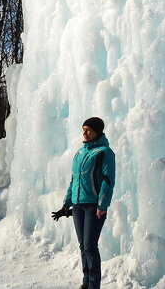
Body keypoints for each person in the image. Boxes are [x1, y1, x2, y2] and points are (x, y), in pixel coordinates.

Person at [52, 117, 116, 289]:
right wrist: (67, 204)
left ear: (98, 131)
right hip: (79, 205)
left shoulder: (104, 152)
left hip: (94, 206)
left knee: (90, 246)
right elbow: (74, 181)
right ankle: (86, 283)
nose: (84, 133)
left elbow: (107, 181)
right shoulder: (80, 154)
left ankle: (94, 285)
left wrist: (102, 206)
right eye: (83, 129)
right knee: (83, 247)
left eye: (88, 130)